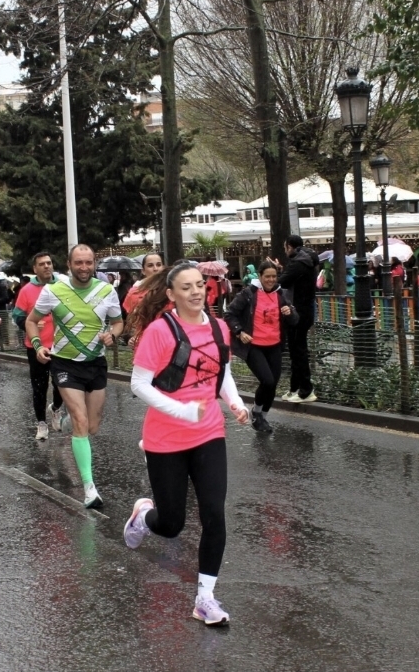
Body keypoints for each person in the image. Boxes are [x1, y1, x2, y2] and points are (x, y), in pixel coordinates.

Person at [123, 261, 250, 627]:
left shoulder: (218, 326)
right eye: (187, 287)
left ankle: (205, 598)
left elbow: (221, 372)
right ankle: (144, 517)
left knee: (214, 514)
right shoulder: (161, 332)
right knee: (172, 524)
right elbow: (138, 384)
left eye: (200, 285)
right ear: (171, 294)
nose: (196, 292)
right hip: (166, 437)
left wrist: (235, 403)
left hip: (209, 431)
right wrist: (181, 411)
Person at [26, 244, 124, 509]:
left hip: (95, 364)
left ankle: (70, 421)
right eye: (78, 263)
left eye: (88, 262)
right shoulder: (53, 291)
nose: (84, 267)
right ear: (68, 265)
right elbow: (31, 321)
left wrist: (112, 335)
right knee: (82, 422)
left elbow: (118, 322)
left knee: (91, 426)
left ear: (94, 264)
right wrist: (37, 345)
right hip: (65, 364)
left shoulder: (106, 291)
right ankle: (89, 488)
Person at [224, 261, 298, 433]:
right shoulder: (248, 294)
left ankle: (261, 416)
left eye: (274, 276)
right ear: (260, 276)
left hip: (274, 345)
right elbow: (229, 314)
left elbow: (295, 321)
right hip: (254, 346)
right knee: (267, 380)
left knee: (273, 384)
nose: (271, 280)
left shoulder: (282, 295)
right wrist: (239, 332)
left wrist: (290, 312)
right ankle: (257, 413)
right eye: (267, 276)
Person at [11, 251, 65, 440]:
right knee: (39, 387)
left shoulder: (62, 285)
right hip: (36, 346)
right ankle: (41, 423)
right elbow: (16, 316)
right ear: (35, 269)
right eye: (42, 264)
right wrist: (29, 321)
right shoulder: (26, 291)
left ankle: (56, 408)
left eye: (49, 263)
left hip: (61, 345)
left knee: (62, 384)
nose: (46, 266)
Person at [276, 234, 319, 403]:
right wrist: (281, 270)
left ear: (290, 247)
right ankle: (295, 388)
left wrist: (276, 275)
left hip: (298, 313)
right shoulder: (306, 261)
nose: (285, 250)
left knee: (298, 352)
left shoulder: (298, 264)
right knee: (295, 351)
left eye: (285, 247)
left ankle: (306, 390)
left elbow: (282, 282)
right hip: (304, 311)